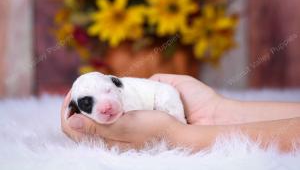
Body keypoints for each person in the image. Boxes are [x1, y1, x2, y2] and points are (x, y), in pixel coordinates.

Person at [61, 74, 300, 152]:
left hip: (164, 98)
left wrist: (176, 136)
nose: (105, 106)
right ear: (77, 109)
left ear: (116, 85)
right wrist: (217, 111)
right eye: (88, 103)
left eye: (108, 93)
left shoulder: (125, 90)